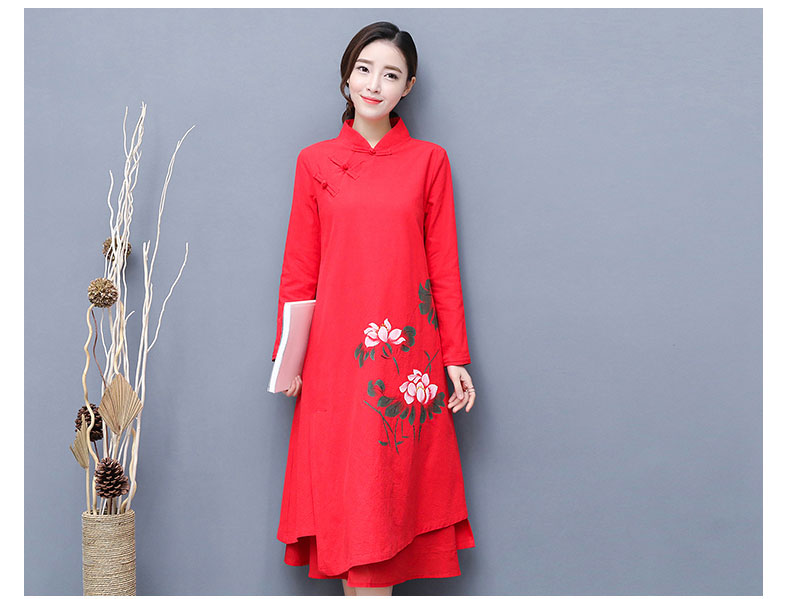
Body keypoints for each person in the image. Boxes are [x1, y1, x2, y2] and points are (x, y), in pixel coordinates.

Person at [271, 21, 477, 595]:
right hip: (336, 359)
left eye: (390, 75)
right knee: (350, 509)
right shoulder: (314, 162)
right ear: (346, 75)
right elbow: (300, 268)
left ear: (408, 87)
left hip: (407, 361)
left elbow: (444, 266)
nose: (374, 84)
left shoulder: (429, 161)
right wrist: (288, 359)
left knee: (387, 505)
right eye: (364, 69)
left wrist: (455, 357)